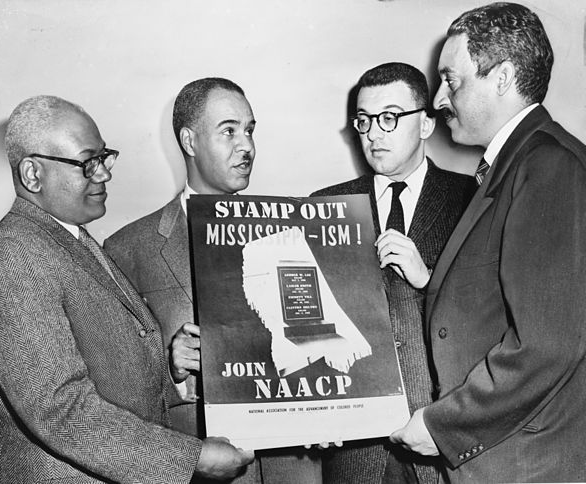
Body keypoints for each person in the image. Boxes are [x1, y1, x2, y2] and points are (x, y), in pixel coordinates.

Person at [0, 95, 254, 483]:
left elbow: (112, 369)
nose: (104, 175)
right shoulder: (14, 256)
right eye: (87, 163)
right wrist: (193, 458)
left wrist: (172, 368)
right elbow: (60, 408)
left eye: (104, 157)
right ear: (32, 174)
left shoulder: (73, 240)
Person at [389, 3, 586, 483]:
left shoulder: (549, 166)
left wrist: (443, 426)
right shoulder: (519, 163)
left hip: (526, 465)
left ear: (503, 78)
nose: (437, 99)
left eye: (451, 80)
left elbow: (548, 344)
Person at [105, 78, 322, 484]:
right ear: (189, 141)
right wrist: (171, 369)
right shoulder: (127, 250)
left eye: (250, 130)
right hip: (201, 469)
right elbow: (114, 391)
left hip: (292, 468)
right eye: (229, 131)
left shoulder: (293, 231)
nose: (247, 146)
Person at [311, 62, 475, 484]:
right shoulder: (325, 206)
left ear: (424, 124)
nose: (373, 134)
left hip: (439, 439)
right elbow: (310, 319)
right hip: (353, 448)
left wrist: (429, 277)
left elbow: (494, 311)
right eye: (364, 121)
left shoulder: (473, 199)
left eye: (389, 117)